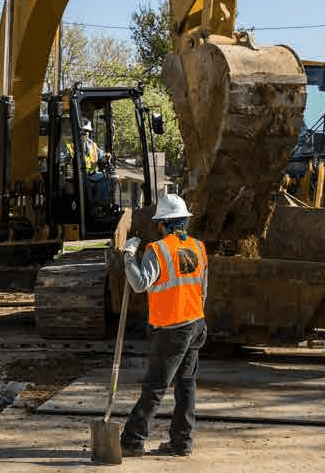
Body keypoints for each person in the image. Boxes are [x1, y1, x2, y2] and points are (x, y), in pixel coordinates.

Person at [118, 192, 208, 458]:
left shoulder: (157, 250)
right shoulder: (198, 247)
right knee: (186, 386)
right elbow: (203, 290)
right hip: (196, 324)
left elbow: (139, 283)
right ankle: (182, 442)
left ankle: (132, 440)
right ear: (184, 222)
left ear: (161, 224)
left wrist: (128, 256)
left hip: (172, 329)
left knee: (155, 387)